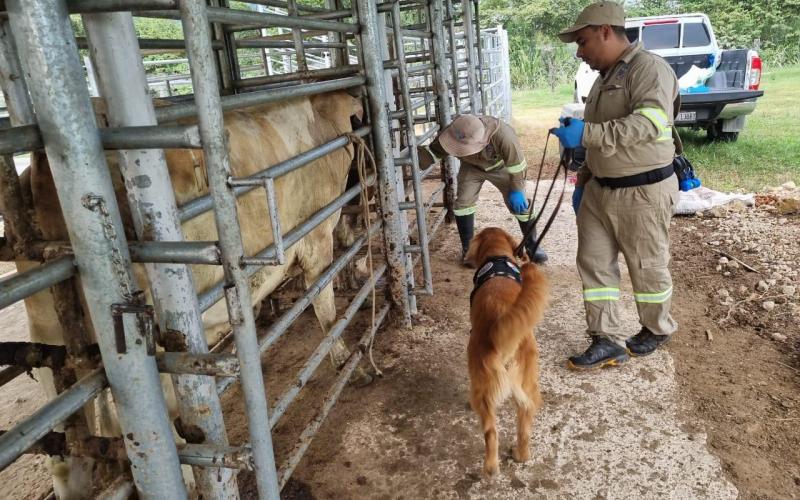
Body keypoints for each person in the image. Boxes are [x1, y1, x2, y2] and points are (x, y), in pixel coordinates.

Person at [552, 1, 680, 370]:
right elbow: (601, 140)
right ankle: (604, 338)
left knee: (647, 265)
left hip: (642, 190)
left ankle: (656, 327)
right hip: (599, 189)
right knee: (594, 265)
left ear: (606, 31)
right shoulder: (604, 77)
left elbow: (650, 124)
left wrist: (586, 133)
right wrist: (583, 179)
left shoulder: (650, 70)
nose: (580, 51)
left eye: (583, 41)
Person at [419, 114, 548, 265]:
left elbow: (517, 165)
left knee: (521, 205)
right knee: (463, 203)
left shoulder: (503, 135)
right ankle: (469, 251)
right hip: (471, 167)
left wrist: (517, 189)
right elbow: (433, 152)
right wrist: (407, 159)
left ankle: (532, 245)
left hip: (501, 167)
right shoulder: (454, 131)